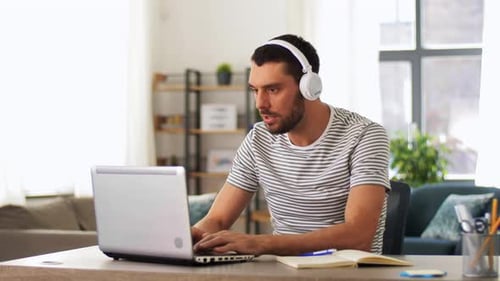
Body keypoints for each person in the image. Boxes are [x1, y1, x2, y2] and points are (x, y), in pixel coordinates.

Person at [192, 34, 390, 256]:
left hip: (349, 274)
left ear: (309, 87)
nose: (260, 104)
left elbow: (359, 235)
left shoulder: (365, 136)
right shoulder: (258, 139)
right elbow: (217, 219)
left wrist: (261, 244)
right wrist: (189, 238)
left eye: (273, 90)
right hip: (285, 273)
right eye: (255, 90)